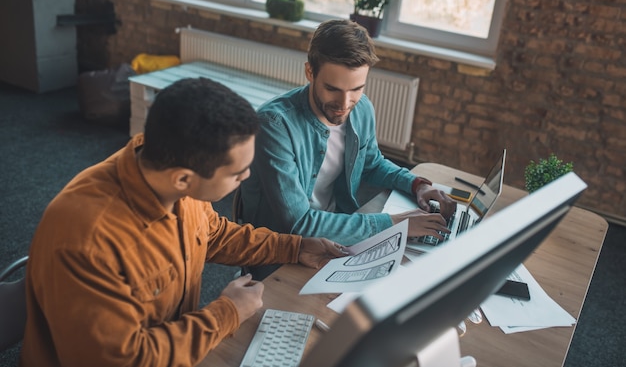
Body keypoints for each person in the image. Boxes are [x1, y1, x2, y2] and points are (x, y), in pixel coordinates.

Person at [20, 78, 347, 367]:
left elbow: (215, 236)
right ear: (183, 179)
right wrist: (226, 312)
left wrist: (295, 247)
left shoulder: (169, 173)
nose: (247, 176)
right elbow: (124, 359)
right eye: (237, 173)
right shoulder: (88, 240)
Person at [240, 19, 456, 278]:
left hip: (340, 235)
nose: (344, 103)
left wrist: (416, 185)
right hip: (284, 254)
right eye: (332, 89)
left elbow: (372, 163)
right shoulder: (274, 125)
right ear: (310, 72)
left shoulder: (362, 108)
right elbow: (299, 224)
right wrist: (396, 224)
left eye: (356, 89)